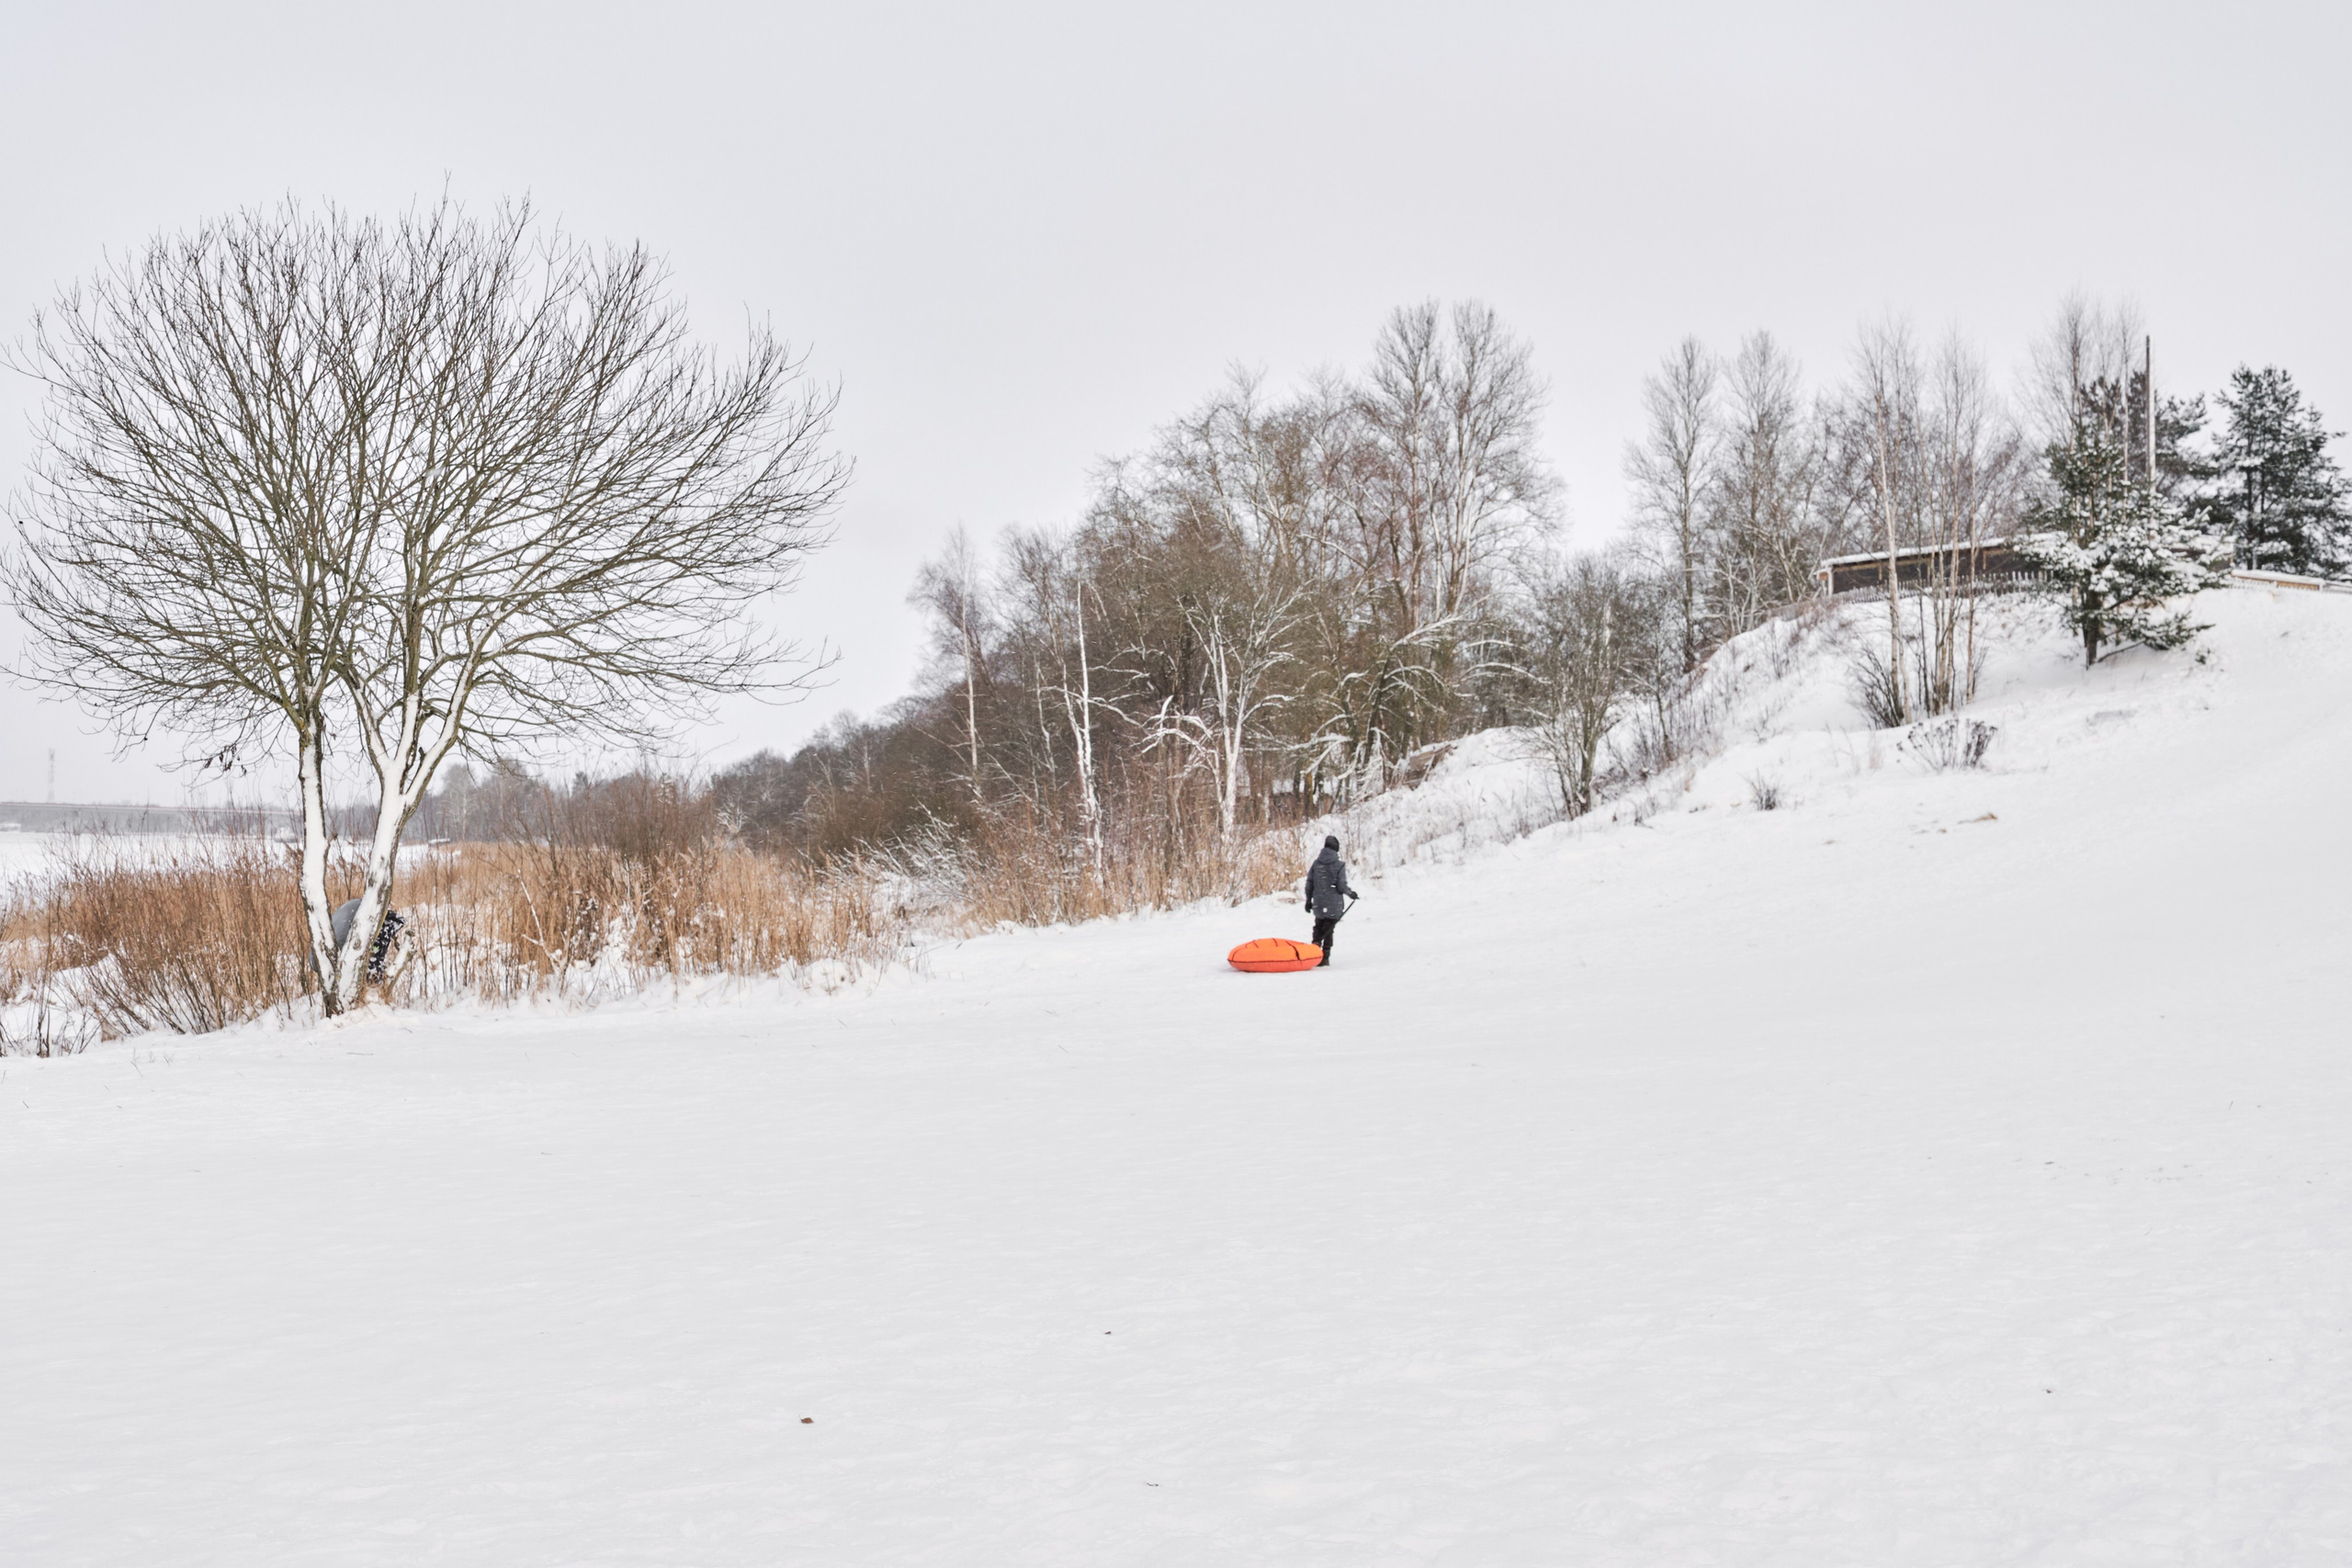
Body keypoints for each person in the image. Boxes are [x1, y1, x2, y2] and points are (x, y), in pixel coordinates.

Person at [1303, 834, 1356, 968]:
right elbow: (1341, 886)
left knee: (1318, 926)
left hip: (1319, 902)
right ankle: (1325, 957)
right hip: (1333, 903)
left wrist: (1308, 900)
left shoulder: (1316, 864)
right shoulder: (1339, 865)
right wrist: (1351, 893)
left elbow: (1310, 883)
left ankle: (1314, 951)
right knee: (1329, 929)